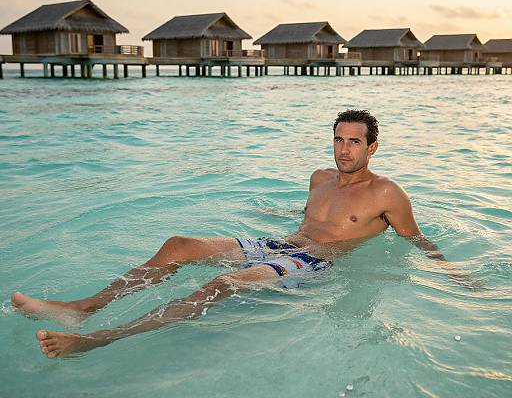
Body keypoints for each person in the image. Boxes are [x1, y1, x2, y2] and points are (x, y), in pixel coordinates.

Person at [11, 109, 477, 358]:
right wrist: (267, 211)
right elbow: (308, 217)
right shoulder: (319, 178)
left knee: (222, 284)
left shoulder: (388, 193)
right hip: (283, 244)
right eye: (338, 139)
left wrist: (453, 274)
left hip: (316, 263)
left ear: (372, 146)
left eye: (354, 141)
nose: (344, 148)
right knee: (179, 245)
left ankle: (103, 339)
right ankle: (81, 308)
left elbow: (414, 238)